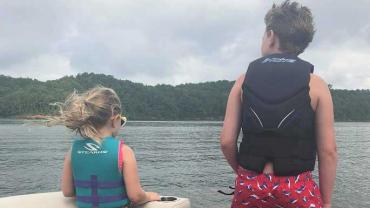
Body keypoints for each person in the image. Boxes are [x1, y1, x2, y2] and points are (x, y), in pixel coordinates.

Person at [220, 1, 337, 208]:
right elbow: (328, 151)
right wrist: (326, 203)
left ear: (271, 35)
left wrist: (244, 173)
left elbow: (227, 142)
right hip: (296, 187)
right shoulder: (317, 85)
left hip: (251, 185)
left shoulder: (242, 81)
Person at [48, 86, 160, 208]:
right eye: (121, 122)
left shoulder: (73, 151)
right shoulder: (124, 151)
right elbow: (136, 196)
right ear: (115, 119)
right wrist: (149, 196)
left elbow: (67, 192)